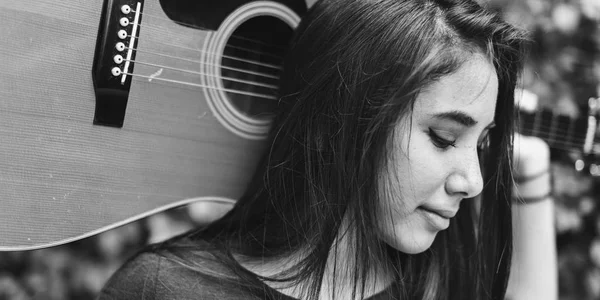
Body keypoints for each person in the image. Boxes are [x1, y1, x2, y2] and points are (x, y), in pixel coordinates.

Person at [97, 0, 557, 299]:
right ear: (346, 118)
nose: (473, 182)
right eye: (443, 137)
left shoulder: (440, 283)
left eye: (483, 143)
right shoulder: (164, 289)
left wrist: (531, 168)